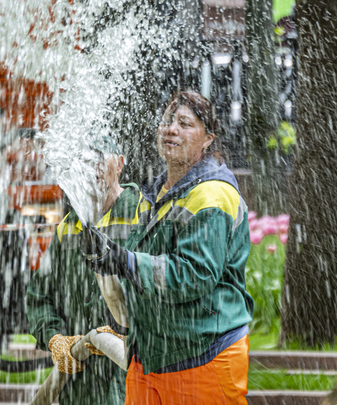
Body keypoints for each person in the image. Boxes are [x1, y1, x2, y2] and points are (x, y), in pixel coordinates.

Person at [78, 91, 254, 404]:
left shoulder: (212, 194)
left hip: (203, 356)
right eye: (167, 122)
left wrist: (128, 262)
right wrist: (110, 258)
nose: (171, 129)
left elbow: (194, 274)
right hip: (151, 355)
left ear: (208, 138)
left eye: (185, 123)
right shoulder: (158, 193)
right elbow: (147, 262)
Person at [26, 135, 138, 405]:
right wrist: (54, 339)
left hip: (128, 383)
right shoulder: (68, 227)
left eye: (101, 159)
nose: (93, 168)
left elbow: (160, 291)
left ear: (120, 164)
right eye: (86, 161)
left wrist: (129, 327)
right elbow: (39, 296)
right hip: (76, 388)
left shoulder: (142, 216)